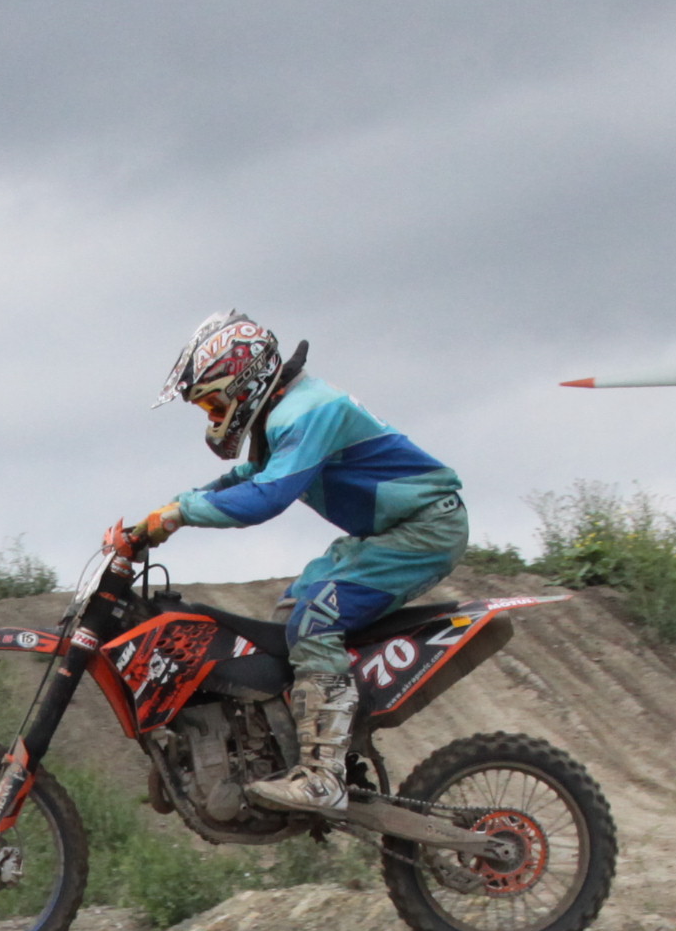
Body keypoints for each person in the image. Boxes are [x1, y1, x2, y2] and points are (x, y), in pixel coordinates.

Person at [113, 312, 466, 815]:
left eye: (214, 402)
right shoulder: (287, 413)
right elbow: (247, 477)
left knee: (315, 620)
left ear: (244, 382)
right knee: (287, 619)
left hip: (424, 528)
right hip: (387, 532)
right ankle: (291, 751)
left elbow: (266, 497)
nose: (212, 415)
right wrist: (165, 512)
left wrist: (179, 515)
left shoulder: (306, 411)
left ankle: (325, 777)